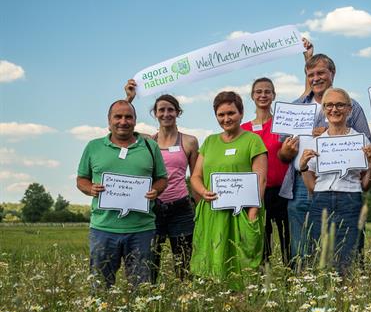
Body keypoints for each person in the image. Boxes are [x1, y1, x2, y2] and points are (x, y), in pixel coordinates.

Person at [278, 43, 371, 268]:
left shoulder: (352, 106)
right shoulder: (296, 107)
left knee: (346, 242)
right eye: (311, 74)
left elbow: (364, 146)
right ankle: (305, 287)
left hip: (342, 186)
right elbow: (282, 154)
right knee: (303, 243)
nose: (316, 78)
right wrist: (289, 150)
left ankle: (347, 284)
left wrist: (332, 136)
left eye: (321, 73)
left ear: (333, 73)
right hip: (301, 183)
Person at [76, 100, 168, 289]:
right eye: (118, 117)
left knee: (142, 288)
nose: (123, 121)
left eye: (128, 117)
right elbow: (81, 180)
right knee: (100, 287)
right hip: (103, 229)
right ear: (109, 121)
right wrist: (90, 188)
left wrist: (156, 190)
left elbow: (162, 178)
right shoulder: (93, 147)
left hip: (142, 229)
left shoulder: (150, 147)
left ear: (135, 120)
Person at [190, 91, 268, 289]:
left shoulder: (253, 141)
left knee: (243, 262)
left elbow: (261, 179)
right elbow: (196, 176)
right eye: (221, 115)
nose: (226, 119)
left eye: (231, 113)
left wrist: (252, 213)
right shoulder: (209, 142)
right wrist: (202, 191)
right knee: (214, 260)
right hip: (213, 212)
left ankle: (243, 303)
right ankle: (216, 300)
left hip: (242, 213)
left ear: (241, 113)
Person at [125, 79, 199, 283]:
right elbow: (122, 127)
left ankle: (186, 302)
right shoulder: (148, 140)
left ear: (178, 112)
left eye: (170, 110)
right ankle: (150, 300)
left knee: (183, 262)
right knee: (151, 260)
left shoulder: (189, 141)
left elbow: (195, 176)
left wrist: (199, 208)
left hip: (181, 208)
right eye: (161, 110)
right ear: (155, 114)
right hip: (153, 207)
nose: (166, 114)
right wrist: (129, 99)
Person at [298, 88, 371, 276]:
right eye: (329, 105)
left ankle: (348, 298)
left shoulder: (360, 139)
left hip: (351, 200)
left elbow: (366, 184)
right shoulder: (315, 142)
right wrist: (302, 166)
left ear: (349, 110)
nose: (335, 109)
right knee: (320, 255)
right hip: (321, 202)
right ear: (324, 110)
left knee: (350, 256)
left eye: (340, 104)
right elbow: (311, 186)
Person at [241, 77, 291, 266]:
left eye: (267, 91)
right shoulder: (243, 129)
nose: (263, 95)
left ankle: (290, 275)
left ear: (274, 95)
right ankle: (263, 277)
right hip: (257, 193)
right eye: (259, 91)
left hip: (283, 191)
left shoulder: (283, 124)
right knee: (262, 238)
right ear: (252, 96)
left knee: (287, 236)